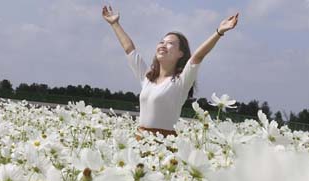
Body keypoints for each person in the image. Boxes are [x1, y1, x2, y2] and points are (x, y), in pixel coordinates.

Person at [102, 5, 238, 140]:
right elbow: (129, 49)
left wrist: (219, 32)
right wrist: (115, 24)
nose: (163, 45)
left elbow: (197, 57)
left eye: (170, 43)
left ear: (180, 53)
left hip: (165, 144)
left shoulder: (181, 82)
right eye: (162, 42)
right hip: (140, 140)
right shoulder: (147, 78)